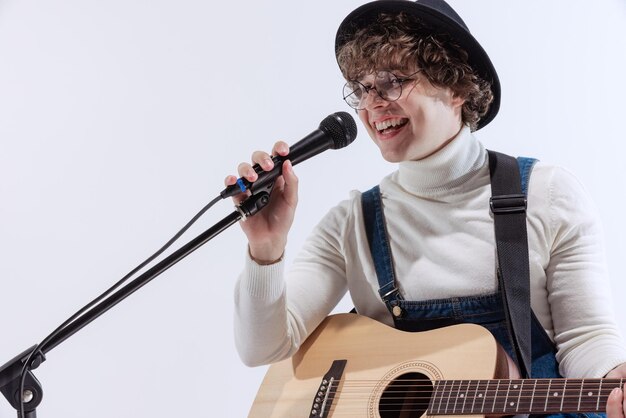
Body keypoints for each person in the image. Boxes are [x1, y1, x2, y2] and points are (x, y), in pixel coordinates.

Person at [226, 0, 626, 416]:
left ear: (458, 86)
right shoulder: (352, 224)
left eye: (393, 81)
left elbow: (586, 337)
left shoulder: (547, 193)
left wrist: (615, 380)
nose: (372, 104)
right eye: (362, 89)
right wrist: (265, 248)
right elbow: (263, 348)